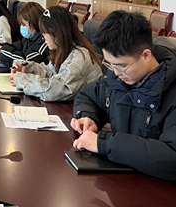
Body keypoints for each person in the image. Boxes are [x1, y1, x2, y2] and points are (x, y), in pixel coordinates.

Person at [71, 11, 176, 182]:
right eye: (110, 65)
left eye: (121, 66)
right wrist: (88, 116)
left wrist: (104, 143)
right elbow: (88, 96)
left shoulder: (170, 93)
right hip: (124, 181)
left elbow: (171, 158)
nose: (116, 73)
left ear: (146, 55)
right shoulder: (119, 78)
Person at [9, 6, 101, 101]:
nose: (43, 38)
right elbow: (50, 72)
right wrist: (28, 68)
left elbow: (53, 91)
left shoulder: (80, 58)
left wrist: (22, 80)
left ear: (57, 33)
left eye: (45, 33)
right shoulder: (63, 50)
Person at [0, 1, 49, 67]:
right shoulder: (28, 39)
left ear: (34, 24)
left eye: (24, 24)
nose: (21, 27)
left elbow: (25, 62)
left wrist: (1, 51)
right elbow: (14, 46)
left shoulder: (44, 43)